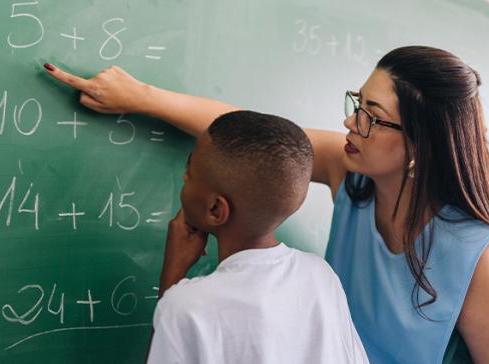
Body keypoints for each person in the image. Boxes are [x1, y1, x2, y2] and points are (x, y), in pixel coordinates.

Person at [43, 45, 489, 363]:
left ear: (421, 146)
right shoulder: (355, 178)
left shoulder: (477, 264)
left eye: (372, 116)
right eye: (356, 103)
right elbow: (256, 138)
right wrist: (141, 97)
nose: (350, 123)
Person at [145, 110, 368, 363]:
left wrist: (172, 275)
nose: (184, 176)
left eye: (190, 173)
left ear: (216, 210)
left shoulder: (187, 306)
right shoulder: (321, 276)